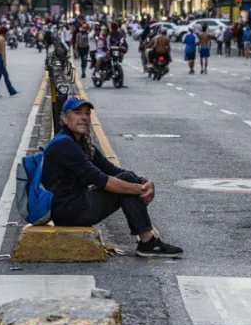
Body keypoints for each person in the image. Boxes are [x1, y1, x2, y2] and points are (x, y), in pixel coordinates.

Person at [41, 97, 183, 258]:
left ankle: (147, 242)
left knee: (127, 178)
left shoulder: (82, 144)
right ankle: (147, 242)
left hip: (76, 206)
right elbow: (102, 180)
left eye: (87, 113)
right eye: (77, 113)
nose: (84, 117)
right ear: (64, 118)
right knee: (126, 182)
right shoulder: (64, 145)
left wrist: (145, 181)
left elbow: (113, 170)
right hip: (68, 212)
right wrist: (139, 189)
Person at [0, 25, 18, 98]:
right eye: (6, 32)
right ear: (5, 32)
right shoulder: (2, 39)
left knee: (1, 76)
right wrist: (4, 61)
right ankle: (9, 91)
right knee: (3, 76)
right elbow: (3, 51)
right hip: (0, 58)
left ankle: (10, 91)